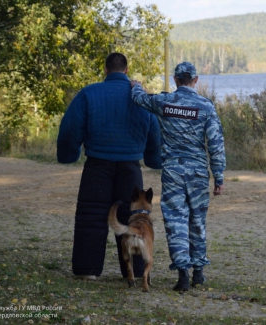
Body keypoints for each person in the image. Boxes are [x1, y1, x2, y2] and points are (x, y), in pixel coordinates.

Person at [57, 52, 162, 280]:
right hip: (130, 168)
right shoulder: (140, 97)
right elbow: (154, 132)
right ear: (126, 70)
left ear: (105, 70)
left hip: (97, 165)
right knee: (132, 219)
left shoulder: (89, 93)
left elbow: (70, 129)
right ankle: (131, 273)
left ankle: (88, 271)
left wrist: (69, 153)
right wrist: (155, 159)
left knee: (91, 216)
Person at [130, 61, 226, 291]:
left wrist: (136, 85)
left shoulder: (164, 102)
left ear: (175, 80)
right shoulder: (206, 106)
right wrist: (219, 177)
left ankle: (183, 274)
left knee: (176, 222)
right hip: (198, 173)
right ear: (195, 80)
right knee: (197, 221)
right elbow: (216, 144)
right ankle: (199, 272)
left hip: (173, 171)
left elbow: (139, 98)